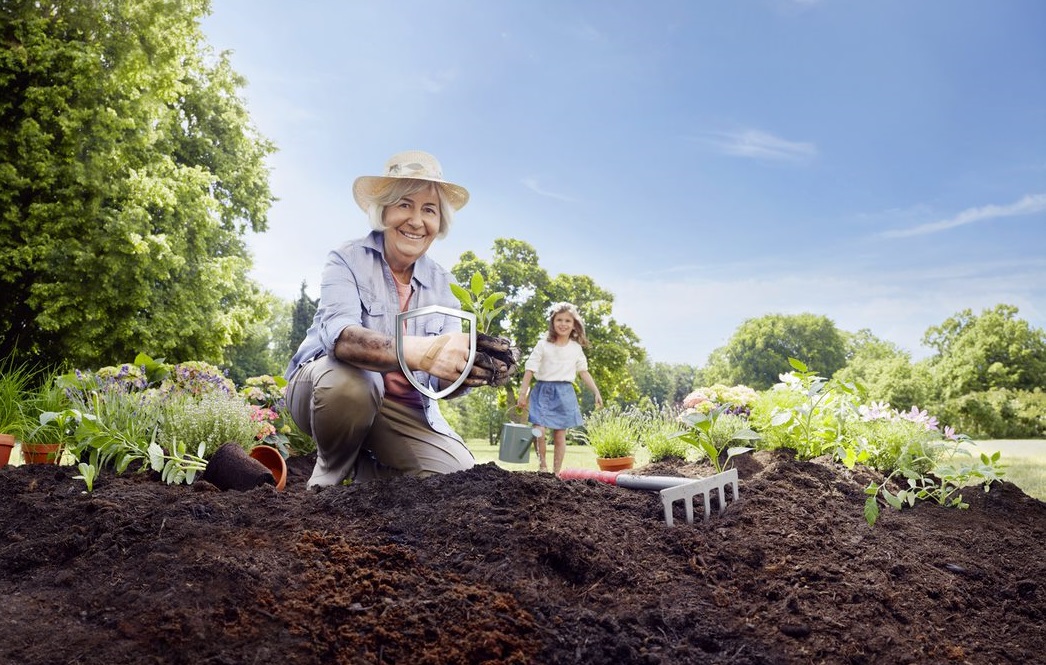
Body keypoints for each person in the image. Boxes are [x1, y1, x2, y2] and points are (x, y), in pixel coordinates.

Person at [284, 150, 515, 488]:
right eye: (405, 205)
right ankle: (329, 474)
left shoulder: (444, 286)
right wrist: (422, 351)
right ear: (385, 210)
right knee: (356, 384)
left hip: (400, 409)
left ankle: (367, 474)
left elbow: (439, 386)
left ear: (439, 224)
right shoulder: (347, 260)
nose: (416, 221)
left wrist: (470, 371)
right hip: (326, 390)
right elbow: (342, 340)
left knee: (457, 476)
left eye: (429, 210)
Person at [516, 302, 603, 473]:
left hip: (564, 393)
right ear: (553, 323)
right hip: (543, 390)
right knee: (538, 429)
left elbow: (583, 372)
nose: (563, 324)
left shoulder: (575, 348)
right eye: (559, 320)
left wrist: (596, 392)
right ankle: (543, 466)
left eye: (568, 321)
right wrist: (522, 393)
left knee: (559, 434)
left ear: (574, 325)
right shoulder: (543, 345)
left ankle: (556, 472)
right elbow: (530, 369)